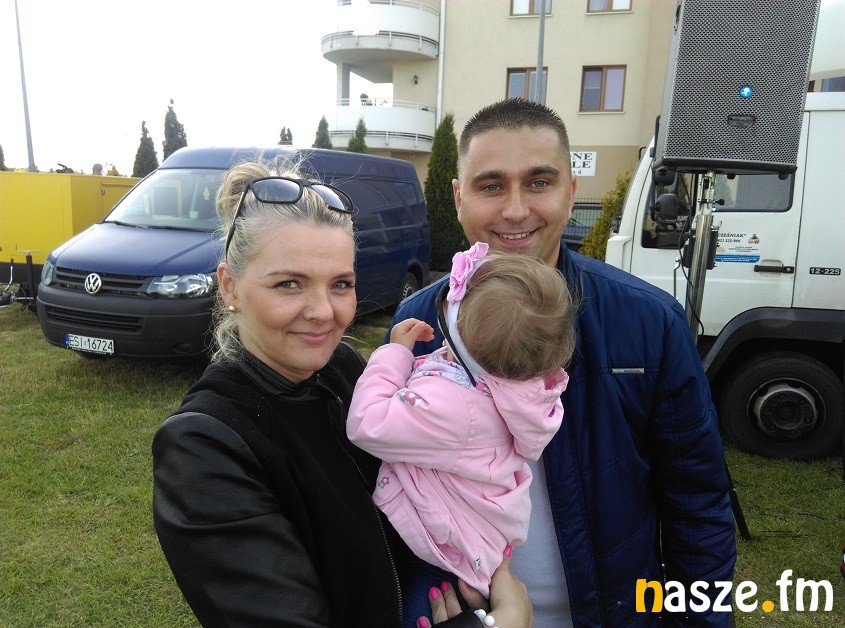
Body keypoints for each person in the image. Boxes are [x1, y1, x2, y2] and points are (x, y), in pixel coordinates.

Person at [390, 98, 738, 627]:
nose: (514, 210)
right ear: (459, 199)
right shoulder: (417, 323)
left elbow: (698, 506)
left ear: (571, 193)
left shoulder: (649, 323)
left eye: (538, 182)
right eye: (491, 186)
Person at [151, 157, 531, 627]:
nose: (322, 311)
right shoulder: (204, 447)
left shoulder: (346, 372)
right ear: (230, 286)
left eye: (341, 284)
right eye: (289, 284)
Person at [348, 242, 574, 600]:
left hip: (439, 552)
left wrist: (395, 354)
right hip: (465, 541)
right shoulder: (509, 388)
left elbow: (367, 422)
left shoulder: (455, 408)